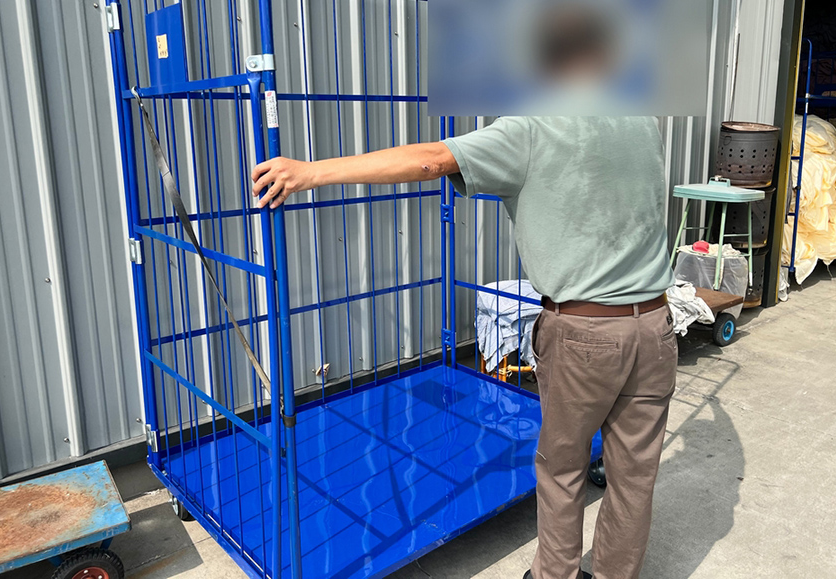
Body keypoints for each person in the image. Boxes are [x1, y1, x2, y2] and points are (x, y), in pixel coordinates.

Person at [251, 113, 676, 579]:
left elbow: (432, 160)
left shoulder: (532, 128)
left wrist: (310, 172)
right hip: (655, 324)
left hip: (584, 331)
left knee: (561, 469)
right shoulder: (641, 122)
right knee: (635, 477)